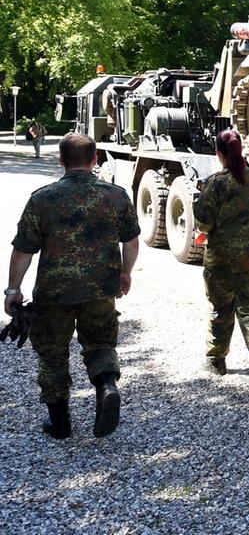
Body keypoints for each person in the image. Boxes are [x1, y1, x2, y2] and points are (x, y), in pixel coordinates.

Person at [5, 133, 140, 439]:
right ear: (95, 160)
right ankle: (106, 386)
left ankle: (60, 422)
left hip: (54, 293)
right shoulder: (116, 195)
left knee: (53, 353)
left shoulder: (42, 199)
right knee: (100, 343)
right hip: (100, 290)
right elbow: (131, 242)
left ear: (61, 161)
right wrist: (126, 274)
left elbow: (23, 250)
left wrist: (13, 289)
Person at [193, 129, 249, 397]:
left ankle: (216, 359)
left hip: (222, 259)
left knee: (222, 307)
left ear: (219, 154)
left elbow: (203, 221)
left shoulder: (215, 183)